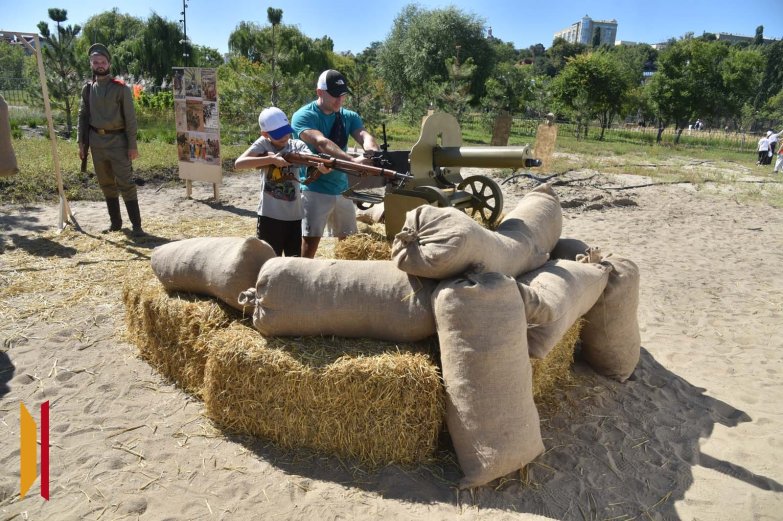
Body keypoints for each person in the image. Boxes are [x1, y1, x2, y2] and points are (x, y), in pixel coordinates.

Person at [291, 69, 380, 258]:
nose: (339, 101)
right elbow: (321, 142)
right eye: (334, 96)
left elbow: (363, 135)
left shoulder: (349, 116)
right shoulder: (303, 116)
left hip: (342, 189)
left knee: (348, 245)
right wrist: (353, 162)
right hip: (313, 189)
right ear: (319, 92)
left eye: (343, 95)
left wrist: (372, 152)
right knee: (310, 242)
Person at [234, 107, 330, 257]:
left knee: (293, 261)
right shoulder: (263, 145)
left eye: (286, 131)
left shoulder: (296, 145)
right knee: (269, 260)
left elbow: (311, 159)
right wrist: (271, 159)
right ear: (265, 134)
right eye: (278, 135)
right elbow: (239, 163)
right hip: (269, 217)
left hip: (295, 217)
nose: (285, 137)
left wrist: (320, 166)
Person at [77, 43, 144, 236]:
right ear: (91, 64)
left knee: (126, 183)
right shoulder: (88, 89)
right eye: (95, 62)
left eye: (103, 61)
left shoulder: (120, 89)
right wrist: (81, 143)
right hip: (96, 143)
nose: (99, 65)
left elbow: (131, 120)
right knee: (106, 183)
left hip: (118, 143)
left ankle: (137, 226)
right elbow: (82, 117)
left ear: (109, 63)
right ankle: (115, 224)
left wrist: (132, 146)